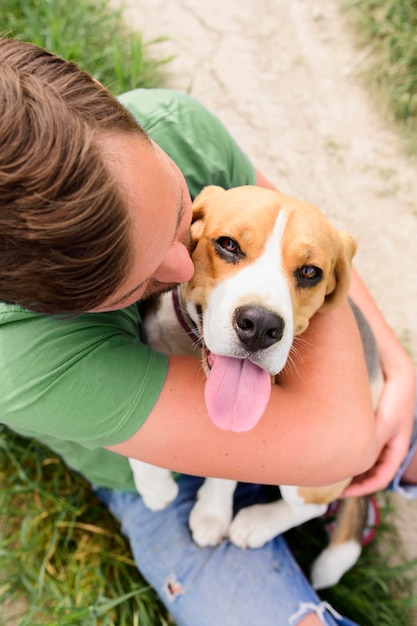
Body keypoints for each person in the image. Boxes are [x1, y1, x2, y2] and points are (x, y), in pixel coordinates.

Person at [0, 37, 415, 626]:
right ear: (63, 306)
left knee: (390, 423)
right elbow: (343, 443)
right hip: (150, 466)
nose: (184, 266)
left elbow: (302, 233)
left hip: (297, 402)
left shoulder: (178, 128)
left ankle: (381, 475)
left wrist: (397, 366)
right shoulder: (23, 359)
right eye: (135, 282)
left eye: (183, 216)